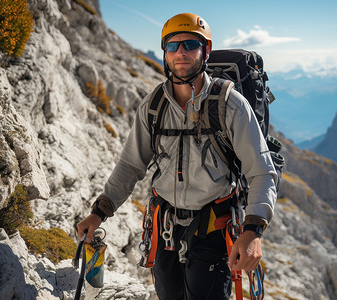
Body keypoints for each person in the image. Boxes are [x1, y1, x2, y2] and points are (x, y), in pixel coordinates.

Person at [77, 12, 278, 299]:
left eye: (190, 44)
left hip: (213, 228)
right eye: (172, 46)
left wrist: (253, 231)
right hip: (165, 227)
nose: (180, 52)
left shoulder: (230, 104)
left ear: (205, 50)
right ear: (165, 54)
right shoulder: (153, 106)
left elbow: (261, 170)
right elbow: (131, 164)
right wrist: (99, 213)